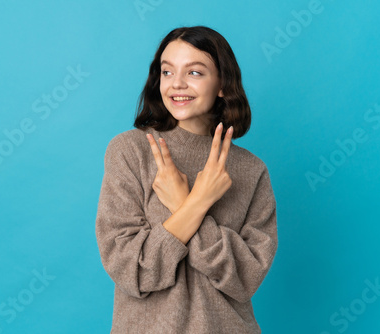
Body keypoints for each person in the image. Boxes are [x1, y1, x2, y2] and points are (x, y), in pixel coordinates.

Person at [95, 25, 278, 334]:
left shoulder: (251, 169)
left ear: (222, 84)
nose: (176, 84)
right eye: (167, 73)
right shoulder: (131, 150)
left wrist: (184, 202)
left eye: (194, 73)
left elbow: (246, 279)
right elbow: (131, 270)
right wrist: (198, 202)